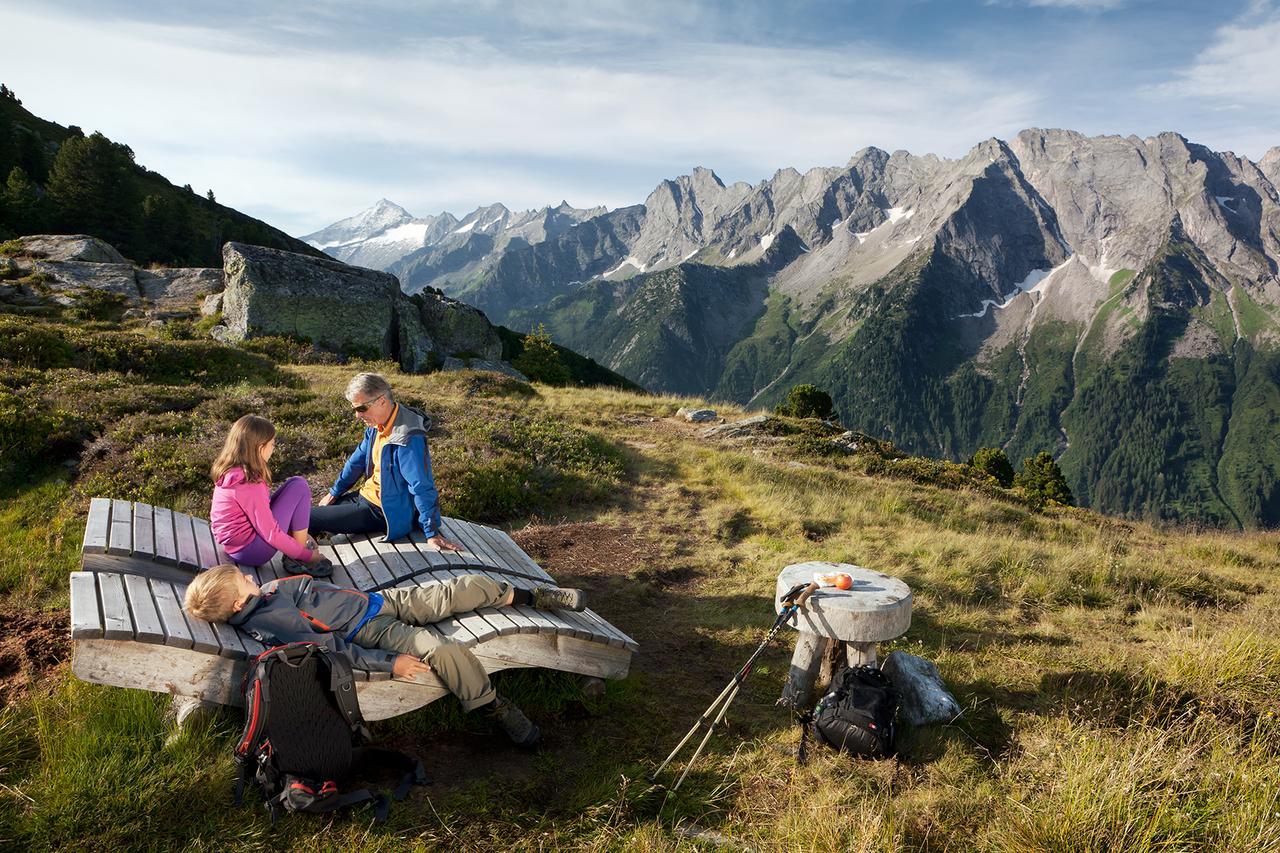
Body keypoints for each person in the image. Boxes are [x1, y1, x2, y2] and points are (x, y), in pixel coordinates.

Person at [183, 565, 587, 745]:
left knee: (465, 586)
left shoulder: (262, 600)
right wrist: (388, 662)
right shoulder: (273, 622)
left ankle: (538, 597)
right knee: (445, 650)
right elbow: (331, 650)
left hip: (378, 600)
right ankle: (493, 707)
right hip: (372, 630)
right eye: (245, 580)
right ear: (237, 604)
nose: (252, 578)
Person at [309, 372, 461, 551]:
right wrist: (334, 493)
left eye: (361, 408)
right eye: (354, 409)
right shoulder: (377, 425)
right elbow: (356, 462)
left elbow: (421, 484)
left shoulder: (407, 437)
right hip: (365, 497)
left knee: (304, 517)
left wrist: (431, 532)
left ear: (382, 401)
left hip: (384, 510)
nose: (357, 415)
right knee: (309, 513)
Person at [210, 415, 333, 576]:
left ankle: (299, 541)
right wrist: (308, 556)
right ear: (260, 447)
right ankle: (300, 554)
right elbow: (271, 533)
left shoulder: (233, 472)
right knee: (299, 486)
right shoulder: (248, 483)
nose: (273, 449)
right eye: (272, 444)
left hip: (236, 548)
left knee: (294, 484)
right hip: (251, 552)